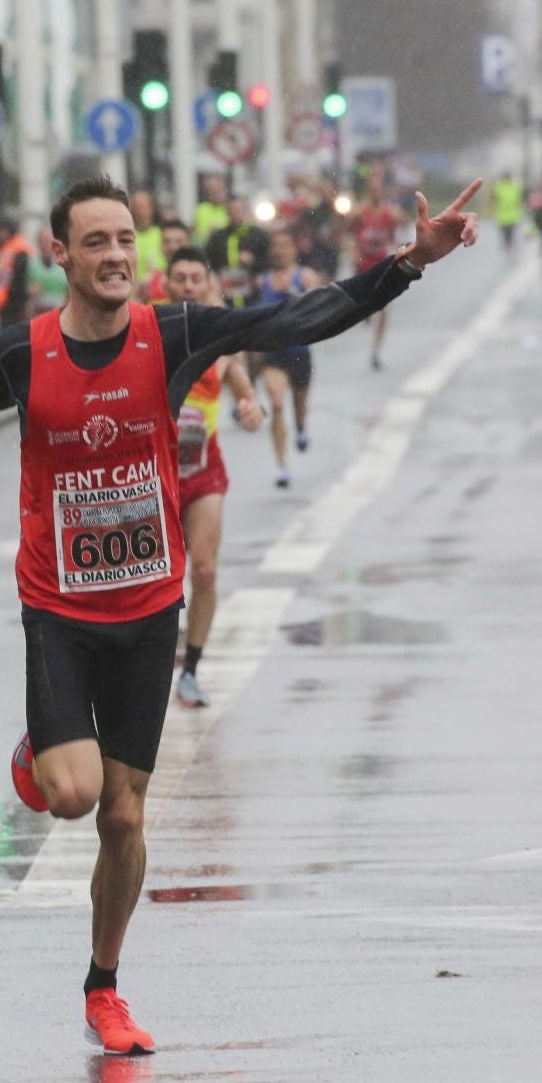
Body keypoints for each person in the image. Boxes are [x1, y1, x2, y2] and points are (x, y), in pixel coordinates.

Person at [0, 174, 481, 1055]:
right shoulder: (22, 352)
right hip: (59, 607)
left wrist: (408, 265)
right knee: (74, 796)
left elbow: (299, 318)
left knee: (125, 817)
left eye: (125, 240)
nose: (116, 255)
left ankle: (104, 987)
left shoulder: (174, 333)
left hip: (152, 607)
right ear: (60, 254)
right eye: (95, 243)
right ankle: (42, 758)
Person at [165, 246, 263, 707]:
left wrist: (250, 407)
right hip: (154, 476)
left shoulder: (220, 341)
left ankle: (191, 669)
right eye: (179, 278)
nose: (187, 286)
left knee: (203, 569)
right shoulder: (152, 333)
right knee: (160, 577)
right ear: (165, 285)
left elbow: (243, 387)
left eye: (195, 279)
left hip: (204, 470)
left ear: (207, 285)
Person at [252, 228, 324, 487]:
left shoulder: (304, 277)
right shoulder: (262, 281)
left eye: (285, 245)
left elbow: (318, 305)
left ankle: (302, 428)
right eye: (276, 246)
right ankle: (282, 467)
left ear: (294, 250)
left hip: (299, 353)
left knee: (299, 406)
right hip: (272, 353)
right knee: (277, 403)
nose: (280, 250)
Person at [350, 168, 404, 370]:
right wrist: (351, 250)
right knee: (364, 303)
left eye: (379, 190)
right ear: (367, 191)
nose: (376, 193)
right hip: (363, 264)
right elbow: (345, 233)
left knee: (384, 309)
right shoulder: (359, 212)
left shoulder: (391, 212)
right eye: (372, 189)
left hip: (382, 264)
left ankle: (375, 351)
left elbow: (400, 229)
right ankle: (365, 313)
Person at [205, 195, 271, 308]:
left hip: (253, 295)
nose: (236, 214)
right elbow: (209, 262)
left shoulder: (259, 235)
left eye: (240, 210)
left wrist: (253, 261)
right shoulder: (218, 237)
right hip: (224, 295)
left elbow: (270, 262)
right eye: (232, 210)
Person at [130, 190, 165, 279]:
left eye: (143, 206)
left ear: (152, 209)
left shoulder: (162, 234)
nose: (140, 211)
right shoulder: (128, 236)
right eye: (136, 207)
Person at [491, 171, 525, 256]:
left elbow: (521, 198)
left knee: (511, 235)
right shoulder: (499, 187)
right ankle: (508, 251)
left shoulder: (514, 187)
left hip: (511, 216)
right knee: (506, 236)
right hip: (505, 216)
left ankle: (511, 250)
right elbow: (493, 199)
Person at [193, 173, 229, 246]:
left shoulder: (230, 208)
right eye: (211, 190)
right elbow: (196, 236)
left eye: (217, 190)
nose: (214, 194)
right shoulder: (201, 209)